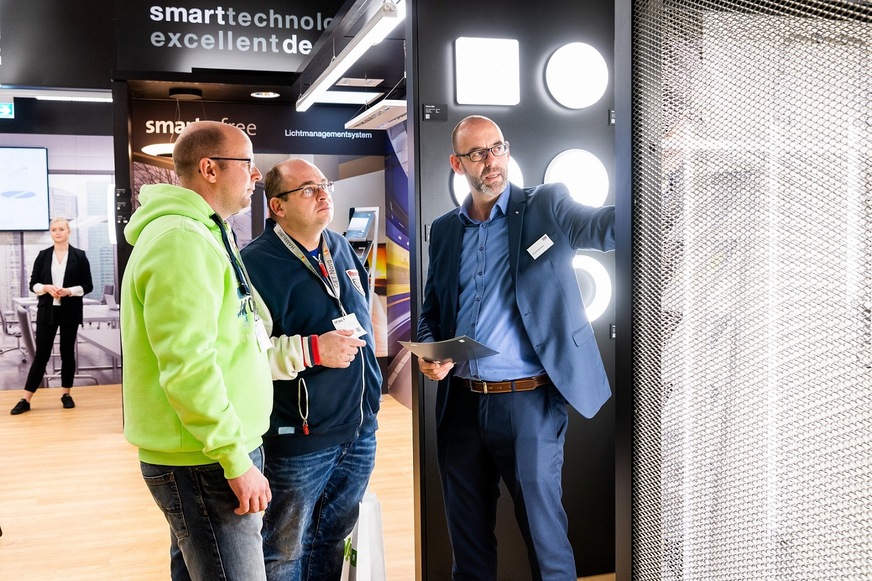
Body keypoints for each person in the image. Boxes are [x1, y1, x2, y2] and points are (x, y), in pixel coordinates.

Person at [416, 115, 616, 581]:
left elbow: (605, 227)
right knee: (467, 543)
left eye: (498, 148)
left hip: (529, 402)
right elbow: (432, 311)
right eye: (477, 153)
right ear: (457, 163)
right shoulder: (445, 230)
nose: (491, 161)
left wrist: (658, 177)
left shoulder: (547, 204)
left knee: (546, 540)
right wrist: (430, 351)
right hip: (461, 405)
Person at [121, 120, 276, 581]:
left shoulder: (205, 231)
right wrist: (234, 458)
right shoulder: (181, 240)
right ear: (210, 169)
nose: (256, 175)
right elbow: (188, 365)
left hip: (209, 452)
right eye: (247, 163)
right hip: (205, 460)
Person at [241, 158, 382, 581]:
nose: (322, 194)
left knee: (332, 538)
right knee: (284, 550)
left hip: (358, 428)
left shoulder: (339, 246)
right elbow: (247, 357)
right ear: (277, 206)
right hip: (300, 438)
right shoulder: (254, 265)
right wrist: (315, 351)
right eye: (307, 189)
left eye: (324, 185)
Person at [10, 216, 93, 415]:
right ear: (51, 232)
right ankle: (25, 399)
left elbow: (88, 285)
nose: (57, 232)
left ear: (68, 231)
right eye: (54, 229)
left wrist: (69, 291)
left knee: (67, 353)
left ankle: (66, 394)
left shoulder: (80, 256)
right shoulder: (43, 256)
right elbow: (33, 284)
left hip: (70, 311)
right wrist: (46, 288)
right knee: (41, 355)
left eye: (61, 229)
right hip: (47, 310)